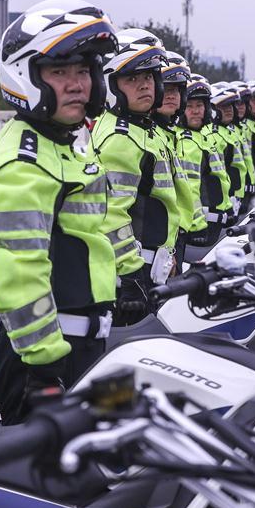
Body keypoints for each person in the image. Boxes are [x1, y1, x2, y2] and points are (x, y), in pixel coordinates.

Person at [0, 0, 118, 425]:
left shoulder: (65, 142)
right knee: (62, 487)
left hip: (83, 349)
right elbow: (18, 273)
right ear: (27, 77)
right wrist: (43, 371)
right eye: (60, 72)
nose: (77, 84)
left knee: (113, 466)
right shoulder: (22, 160)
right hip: (43, 362)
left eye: (83, 71)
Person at [89, 28, 178, 324]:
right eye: (132, 79)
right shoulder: (120, 137)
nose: (144, 86)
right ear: (112, 86)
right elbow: (112, 214)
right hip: (131, 281)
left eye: (149, 77)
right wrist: (130, 275)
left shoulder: (142, 130)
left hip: (154, 270)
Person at [151, 51, 203, 265]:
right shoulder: (141, 136)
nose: (171, 95)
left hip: (173, 243)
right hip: (153, 255)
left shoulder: (166, 134)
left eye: (176, 89)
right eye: (166, 88)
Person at [176, 74, 232, 246]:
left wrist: (228, 207)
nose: (195, 110)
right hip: (201, 227)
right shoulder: (185, 141)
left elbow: (220, 177)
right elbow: (189, 190)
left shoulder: (202, 137)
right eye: (189, 106)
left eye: (199, 105)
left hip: (215, 222)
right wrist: (196, 226)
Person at [207, 84, 247, 221]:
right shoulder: (212, 135)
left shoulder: (228, 132)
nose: (229, 110)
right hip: (219, 206)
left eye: (230, 106)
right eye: (224, 107)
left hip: (234, 201)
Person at [229, 81, 255, 209]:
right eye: (236, 104)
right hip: (234, 195)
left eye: (243, 103)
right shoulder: (224, 132)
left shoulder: (243, 128)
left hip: (247, 189)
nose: (240, 107)